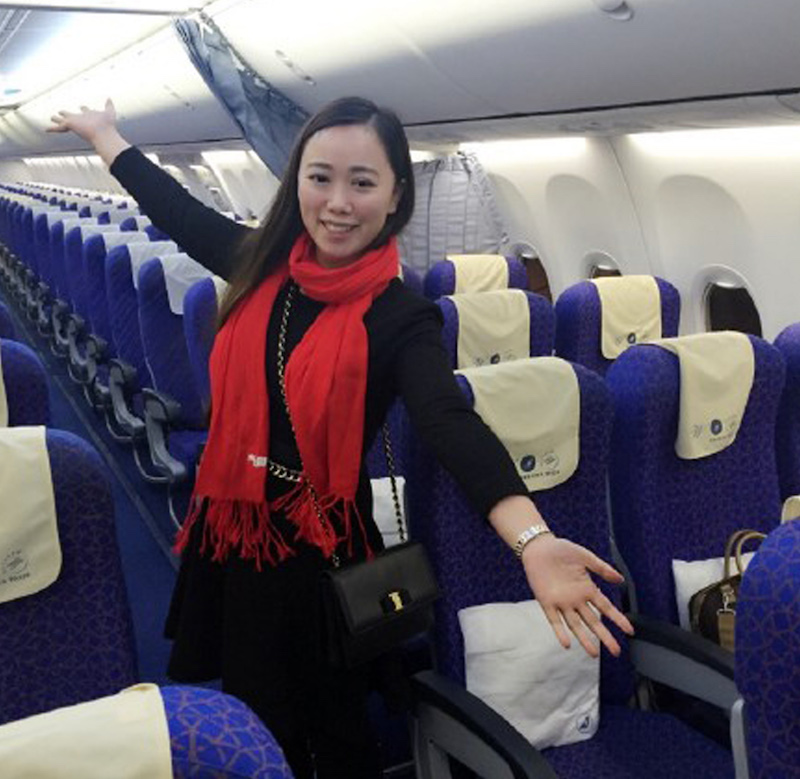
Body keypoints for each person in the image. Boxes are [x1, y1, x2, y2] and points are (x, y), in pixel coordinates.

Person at [49, 97, 634, 778]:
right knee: (255, 711)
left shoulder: (401, 315)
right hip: (239, 529)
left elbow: (449, 420)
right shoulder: (257, 263)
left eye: (362, 182)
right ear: (295, 180)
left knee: (335, 718)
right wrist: (106, 136)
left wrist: (533, 539)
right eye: (319, 177)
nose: (337, 202)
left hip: (322, 545)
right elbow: (173, 208)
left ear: (394, 197)